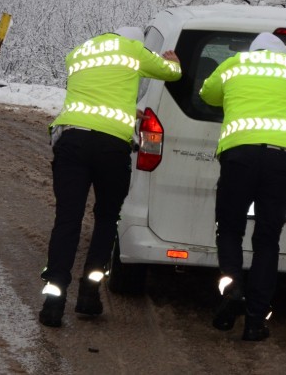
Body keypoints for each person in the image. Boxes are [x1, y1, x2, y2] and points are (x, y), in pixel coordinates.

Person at [39, 27, 182, 327]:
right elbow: (169, 74)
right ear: (130, 40)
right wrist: (173, 62)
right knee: (106, 219)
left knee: (67, 220)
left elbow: (98, 95)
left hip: (71, 140)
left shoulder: (77, 53)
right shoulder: (132, 50)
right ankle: (89, 294)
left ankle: (53, 302)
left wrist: (128, 111)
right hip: (110, 149)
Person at [199, 32, 286, 341]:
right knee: (266, 241)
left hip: (239, 156)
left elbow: (207, 94)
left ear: (254, 51)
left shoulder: (234, 63)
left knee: (230, 229)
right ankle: (255, 322)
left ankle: (233, 288)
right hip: (281, 161)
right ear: (283, 53)